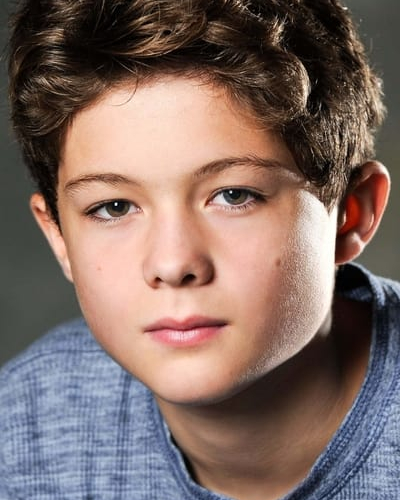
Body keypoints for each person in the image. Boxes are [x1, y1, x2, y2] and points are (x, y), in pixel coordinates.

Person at [0, 0, 398, 498]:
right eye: (114, 207)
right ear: (59, 237)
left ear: (351, 215)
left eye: (234, 196)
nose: (173, 264)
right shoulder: (21, 431)